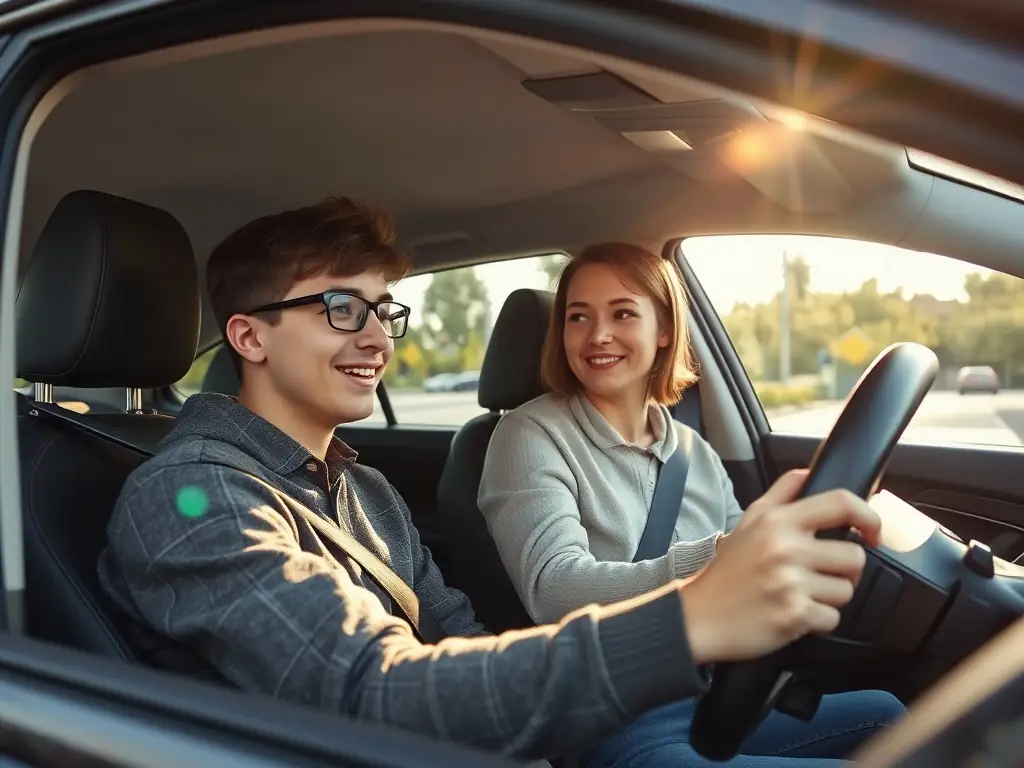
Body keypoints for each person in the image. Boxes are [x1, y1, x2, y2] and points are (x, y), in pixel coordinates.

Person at [98, 198, 887, 765]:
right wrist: (684, 625)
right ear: (249, 336)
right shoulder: (190, 497)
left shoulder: (363, 493)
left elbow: (461, 637)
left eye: (383, 310)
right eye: (343, 308)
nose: (377, 337)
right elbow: (371, 695)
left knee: (898, 721)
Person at [477, 241, 905, 766]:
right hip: (612, 709)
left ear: (663, 330)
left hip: (712, 689)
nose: (598, 335)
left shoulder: (693, 451)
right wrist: (725, 556)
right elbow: (555, 590)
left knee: (889, 717)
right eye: (578, 317)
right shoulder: (530, 435)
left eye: (622, 313)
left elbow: (757, 572)